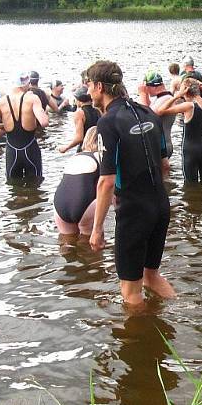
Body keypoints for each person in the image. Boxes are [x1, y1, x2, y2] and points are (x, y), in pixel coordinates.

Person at [86, 60, 175, 308]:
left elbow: (106, 181)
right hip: (160, 205)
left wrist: (97, 229)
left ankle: (144, 343)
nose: (88, 91)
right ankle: (183, 317)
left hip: (134, 212)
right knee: (151, 277)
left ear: (100, 86)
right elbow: (164, 165)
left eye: (90, 85)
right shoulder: (148, 113)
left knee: (130, 292)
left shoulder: (107, 122)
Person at [0, 73, 49, 181]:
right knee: (36, 185)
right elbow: (44, 122)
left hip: (12, 151)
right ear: (25, 84)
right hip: (30, 148)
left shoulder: (0, 102)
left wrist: (5, 125)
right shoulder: (33, 98)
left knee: (13, 187)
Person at [155, 75, 202, 183]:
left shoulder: (188, 106)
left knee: (190, 185)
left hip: (190, 150)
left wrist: (177, 96)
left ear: (186, 92)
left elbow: (160, 111)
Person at [54, 126, 101, 236]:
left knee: (67, 241)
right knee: (90, 243)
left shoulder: (75, 157)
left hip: (60, 203)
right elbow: (106, 186)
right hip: (85, 203)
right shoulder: (101, 156)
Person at [137, 70, 175, 173]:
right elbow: (149, 108)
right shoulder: (160, 98)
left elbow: (146, 117)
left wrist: (142, 94)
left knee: (160, 178)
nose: (147, 91)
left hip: (163, 145)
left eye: (147, 88)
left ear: (153, 86)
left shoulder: (166, 99)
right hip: (161, 144)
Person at [58, 86, 101, 153]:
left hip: (85, 148)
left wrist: (66, 147)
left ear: (79, 101)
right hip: (98, 147)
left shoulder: (80, 113)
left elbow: (79, 138)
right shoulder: (98, 110)